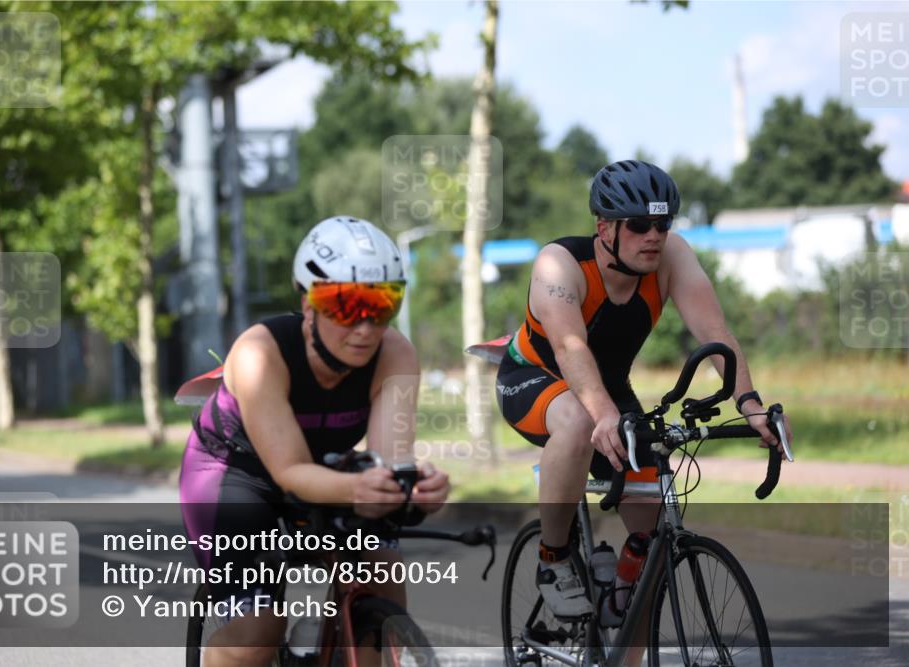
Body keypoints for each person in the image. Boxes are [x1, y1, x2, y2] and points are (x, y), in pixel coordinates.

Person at [495, 160, 793, 665]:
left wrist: (749, 404)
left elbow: (716, 335)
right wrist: (604, 414)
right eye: (638, 225)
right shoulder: (558, 266)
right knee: (578, 419)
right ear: (605, 227)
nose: (653, 236)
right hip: (537, 381)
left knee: (653, 531)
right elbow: (569, 345)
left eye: (662, 224)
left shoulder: (672, 256)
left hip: (609, 392)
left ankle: (625, 594)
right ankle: (554, 558)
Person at [179, 216, 450, 667]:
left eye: (382, 304)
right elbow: (288, 472)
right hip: (236, 476)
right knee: (256, 631)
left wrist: (415, 488)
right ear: (307, 303)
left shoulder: (396, 353)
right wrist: (359, 488)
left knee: (382, 575)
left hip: (322, 471)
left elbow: (387, 461)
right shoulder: (258, 354)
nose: (365, 326)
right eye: (345, 305)